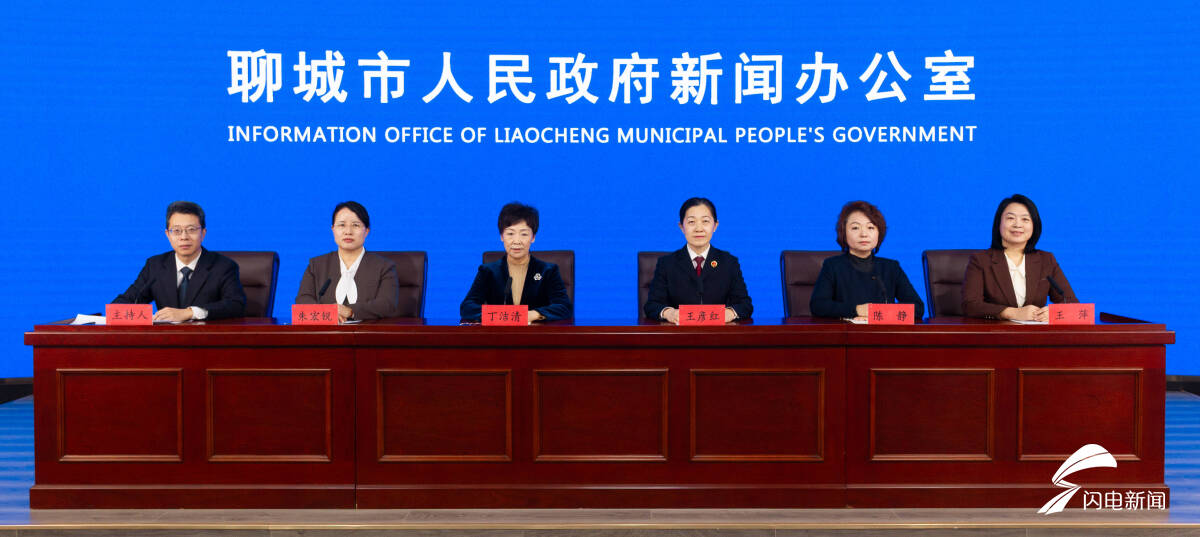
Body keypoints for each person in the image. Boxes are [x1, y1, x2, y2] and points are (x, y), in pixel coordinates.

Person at [113, 201, 246, 321]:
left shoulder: (223, 266)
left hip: (207, 337)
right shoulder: (155, 265)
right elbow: (127, 301)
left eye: (191, 230)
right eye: (177, 231)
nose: (184, 237)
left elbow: (236, 305)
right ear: (168, 235)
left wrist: (190, 313)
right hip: (166, 338)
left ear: (203, 233)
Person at [962, 194, 1077, 321]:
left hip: (1034, 332)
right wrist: (1010, 313)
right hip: (995, 331)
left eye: (1025, 219)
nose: (1018, 224)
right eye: (1010, 218)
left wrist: (1055, 313)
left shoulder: (1046, 260)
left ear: (1034, 225)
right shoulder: (981, 260)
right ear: (999, 223)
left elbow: (1071, 303)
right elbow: (970, 305)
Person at [644, 197, 752, 323]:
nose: (699, 228)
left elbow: (745, 305)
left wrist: (730, 313)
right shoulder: (667, 264)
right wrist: (669, 313)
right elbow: (651, 305)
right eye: (691, 222)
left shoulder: (729, 262)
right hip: (680, 332)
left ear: (715, 226)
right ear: (681, 227)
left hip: (718, 333)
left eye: (705, 221)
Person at [810, 201, 924, 320]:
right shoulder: (833, 266)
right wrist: (857, 310)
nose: (864, 234)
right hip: (846, 330)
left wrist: (878, 313)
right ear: (843, 233)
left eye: (870, 227)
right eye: (855, 228)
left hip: (883, 331)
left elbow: (918, 308)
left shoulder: (891, 268)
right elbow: (818, 306)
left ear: (879, 233)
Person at [460, 202, 572, 323]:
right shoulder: (488, 271)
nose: (517, 241)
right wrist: (502, 315)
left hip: (536, 333)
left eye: (524, 234)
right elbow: (467, 307)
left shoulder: (548, 271)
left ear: (533, 237)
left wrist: (531, 315)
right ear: (502, 236)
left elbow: (564, 307)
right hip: (499, 333)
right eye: (510, 233)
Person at [296, 201, 400, 322]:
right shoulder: (316, 265)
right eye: (342, 225)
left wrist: (350, 311)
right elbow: (302, 300)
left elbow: (387, 304)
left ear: (366, 231)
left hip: (368, 332)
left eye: (355, 225)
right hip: (325, 332)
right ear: (333, 229)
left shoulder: (384, 267)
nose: (348, 231)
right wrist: (328, 312)